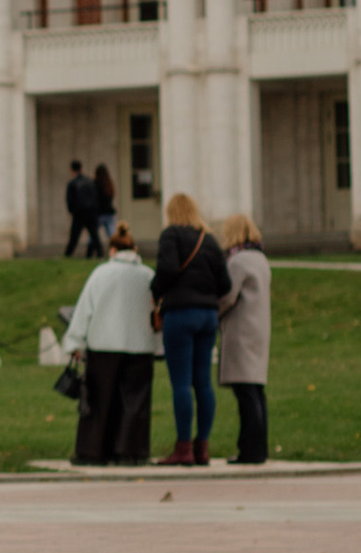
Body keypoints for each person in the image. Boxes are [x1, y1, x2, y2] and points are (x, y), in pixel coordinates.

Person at [149, 192, 231, 466]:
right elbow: (226, 284)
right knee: (203, 382)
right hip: (208, 316)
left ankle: (183, 447)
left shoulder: (170, 235)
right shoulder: (208, 239)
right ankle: (202, 447)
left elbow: (167, 269)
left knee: (181, 383)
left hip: (180, 314)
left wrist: (156, 290)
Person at [63, 222, 156, 465]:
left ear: (111, 250)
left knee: (99, 402)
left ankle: (93, 451)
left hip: (103, 344)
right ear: (135, 249)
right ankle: (131, 452)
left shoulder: (100, 274)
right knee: (135, 402)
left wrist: (75, 342)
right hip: (140, 345)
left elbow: (85, 310)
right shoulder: (147, 275)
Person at [217, 212, 272, 466]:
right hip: (258, 329)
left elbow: (227, 296)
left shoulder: (237, 261)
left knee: (246, 393)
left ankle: (250, 450)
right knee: (255, 391)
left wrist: (212, 311)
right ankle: (258, 447)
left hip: (241, 330)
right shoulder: (260, 258)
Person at [63, 159, 105, 259]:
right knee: (94, 234)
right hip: (91, 212)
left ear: (72, 170)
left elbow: (69, 200)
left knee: (74, 236)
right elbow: (96, 197)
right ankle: (100, 253)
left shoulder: (72, 183)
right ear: (81, 169)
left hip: (79, 213)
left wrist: (72, 211)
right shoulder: (90, 181)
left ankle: (68, 254)